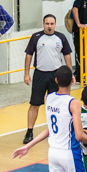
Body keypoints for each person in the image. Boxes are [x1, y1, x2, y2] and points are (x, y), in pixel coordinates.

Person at [22, 14, 74, 145]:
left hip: (57, 76)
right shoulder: (36, 37)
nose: (49, 26)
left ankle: (59, 131)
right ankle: (29, 132)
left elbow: (67, 55)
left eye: (52, 24)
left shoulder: (61, 37)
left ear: (55, 25)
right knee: (34, 104)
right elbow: (29, 55)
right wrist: (26, 73)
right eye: (47, 24)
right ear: (43, 24)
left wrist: (70, 74)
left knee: (57, 104)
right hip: (40, 74)